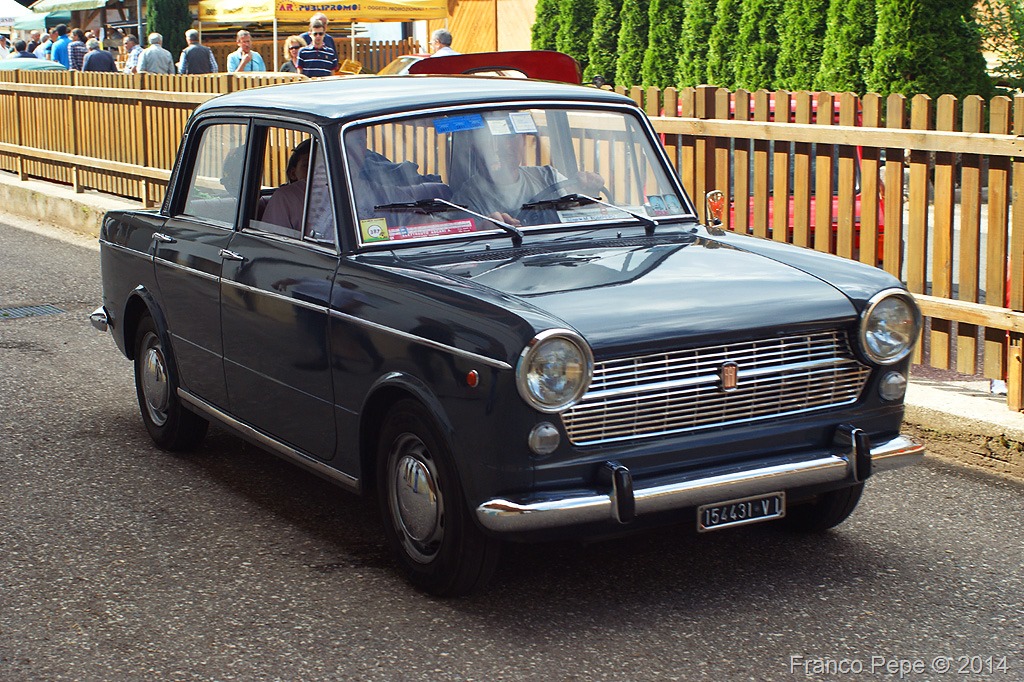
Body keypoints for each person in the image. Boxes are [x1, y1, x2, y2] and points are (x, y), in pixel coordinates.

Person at [452, 131, 604, 226]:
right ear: (474, 146)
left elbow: (585, 218)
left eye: (510, 136)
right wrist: (485, 231)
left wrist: (588, 196)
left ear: (522, 140)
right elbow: (467, 249)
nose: (501, 146)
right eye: (490, 137)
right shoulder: (466, 200)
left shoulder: (548, 177)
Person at [262, 140, 312, 232]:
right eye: (307, 165)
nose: (316, 171)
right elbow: (275, 242)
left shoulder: (341, 191)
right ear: (293, 173)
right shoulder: (285, 196)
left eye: (322, 166)